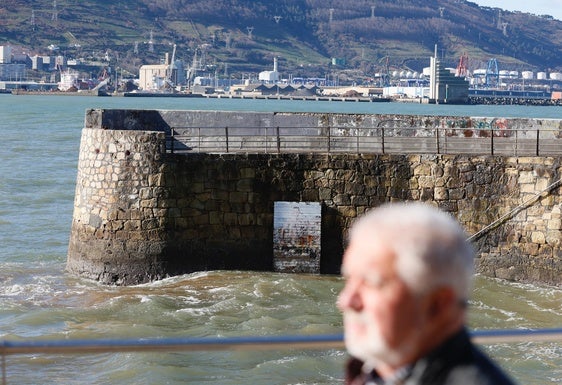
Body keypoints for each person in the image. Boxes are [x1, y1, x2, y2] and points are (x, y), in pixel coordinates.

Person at [338, 202, 517, 385]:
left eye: (370, 283)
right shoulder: (374, 370)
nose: (345, 301)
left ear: (439, 304)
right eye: (349, 279)